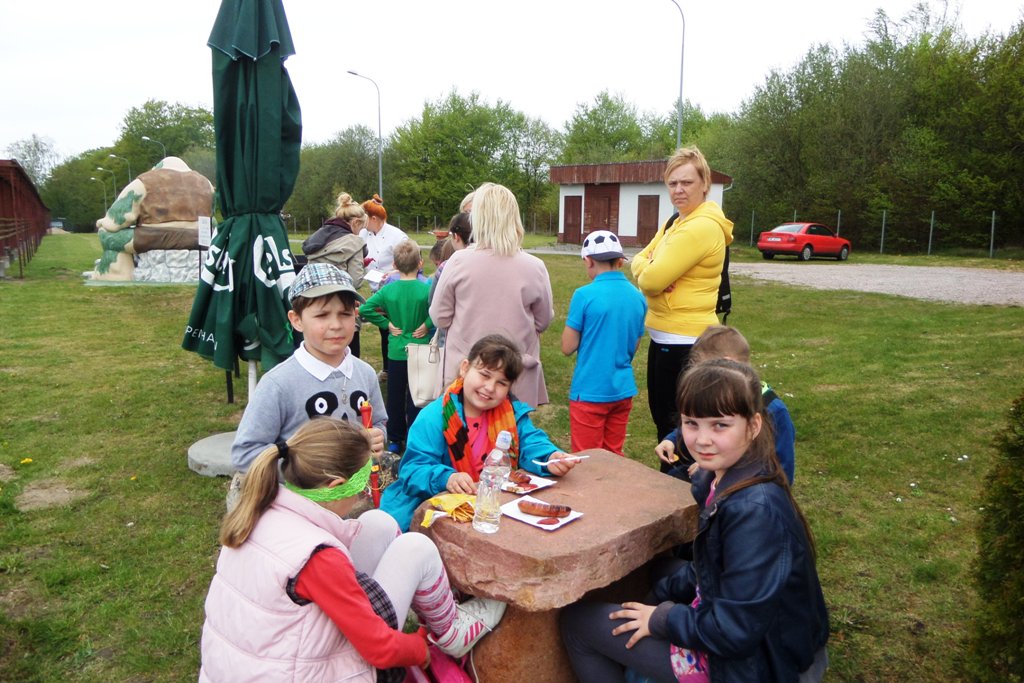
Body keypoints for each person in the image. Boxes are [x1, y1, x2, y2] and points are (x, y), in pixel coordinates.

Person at [559, 360, 829, 683]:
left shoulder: (753, 512)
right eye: (691, 423)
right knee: (658, 573)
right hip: (760, 642)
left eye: (720, 425)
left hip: (753, 666)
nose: (702, 439)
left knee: (578, 623)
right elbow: (713, 568)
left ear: (753, 426)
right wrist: (657, 594)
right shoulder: (733, 476)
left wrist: (661, 619)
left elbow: (733, 632)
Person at [200, 417, 506, 682]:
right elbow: (380, 649)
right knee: (417, 547)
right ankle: (453, 633)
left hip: (251, 663)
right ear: (335, 486)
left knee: (377, 522)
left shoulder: (261, 513)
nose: (365, 492)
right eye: (362, 485)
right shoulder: (317, 558)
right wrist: (418, 649)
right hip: (298, 673)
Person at [380, 334, 578, 532]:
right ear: (465, 368)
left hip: (490, 508)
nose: (490, 388)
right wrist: (446, 478)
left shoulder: (511, 414)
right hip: (429, 508)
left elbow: (530, 442)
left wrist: (550, 457)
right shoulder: (434, 417)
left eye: (502, 383)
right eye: (484, 375)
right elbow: (413, 469)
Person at [231, 262, 387, 473]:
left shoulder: (365, 373)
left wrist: (377, 436)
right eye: (322, 315)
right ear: (296, 320)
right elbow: (245, 453)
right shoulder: (278, 384)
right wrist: (303, 470)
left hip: (357, 490)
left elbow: (379, 423)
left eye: (345, 313)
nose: (336, 325)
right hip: (299, 493)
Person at [631, 146, 735, 462]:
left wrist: (651, 269)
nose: (678, 190)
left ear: (705, 184)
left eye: (687, 182)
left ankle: (684, 489)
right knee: (667, 427)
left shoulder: (700, 226)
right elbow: (639, 259)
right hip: (665, 338)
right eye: (673, 183)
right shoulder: (675, 222)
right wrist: (649, 266)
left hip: (685, 343)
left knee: (680, 430)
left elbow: (651, 281)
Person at [430, 183, 554, 407]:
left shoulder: (458, 262)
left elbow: (440, 317)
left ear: (478, 218)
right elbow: (543, 321)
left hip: (468, 375)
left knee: (463, 429)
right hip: (513, 376)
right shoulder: (535, 267)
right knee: (511, 428)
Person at [655, 325, 797, 483]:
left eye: (708, 375)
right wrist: (672, 439)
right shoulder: (717, 397)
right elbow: (699, 421)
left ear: (728, 363)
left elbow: (782, 471)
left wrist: (712, 470)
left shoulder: (775, 411)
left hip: (745, 486)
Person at [561, 230, 647, 455]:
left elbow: (567, 347)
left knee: (586, 459)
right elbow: (634, 345)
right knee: (613, 455)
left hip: (590, 390)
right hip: (622, 388)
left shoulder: (584, 295)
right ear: (620, 261)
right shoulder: (638, 297)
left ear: (588, 261)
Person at [360, 240, 433, 452]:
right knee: (418, 396)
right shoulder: (426, 289)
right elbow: (440, 310)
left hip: (396, 351)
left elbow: (365, 309)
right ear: (420, 263)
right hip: (420, 349)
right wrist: (427, 324)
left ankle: (394, 438)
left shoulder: (388, 290)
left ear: (394, 265)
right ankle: (414, 436)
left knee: (395, 395)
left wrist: (387, 324)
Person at [302, 192, 369, 356]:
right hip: (342, 299)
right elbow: (356, 280)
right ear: (355, 222)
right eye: (361, 228)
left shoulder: (316, 238)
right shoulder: (354, 242)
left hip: (315, 300)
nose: (359, 232)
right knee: (347, 352)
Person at [360, 194, 409, 374]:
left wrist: (393, 273)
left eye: (364, 218)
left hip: (395, 288)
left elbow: (410, 261)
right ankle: (388, 369)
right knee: (384, 328)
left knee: (398, 328)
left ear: (373, 218)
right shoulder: (363, 234)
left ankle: (402, 366)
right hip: (377, 289)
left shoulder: (396, 236)